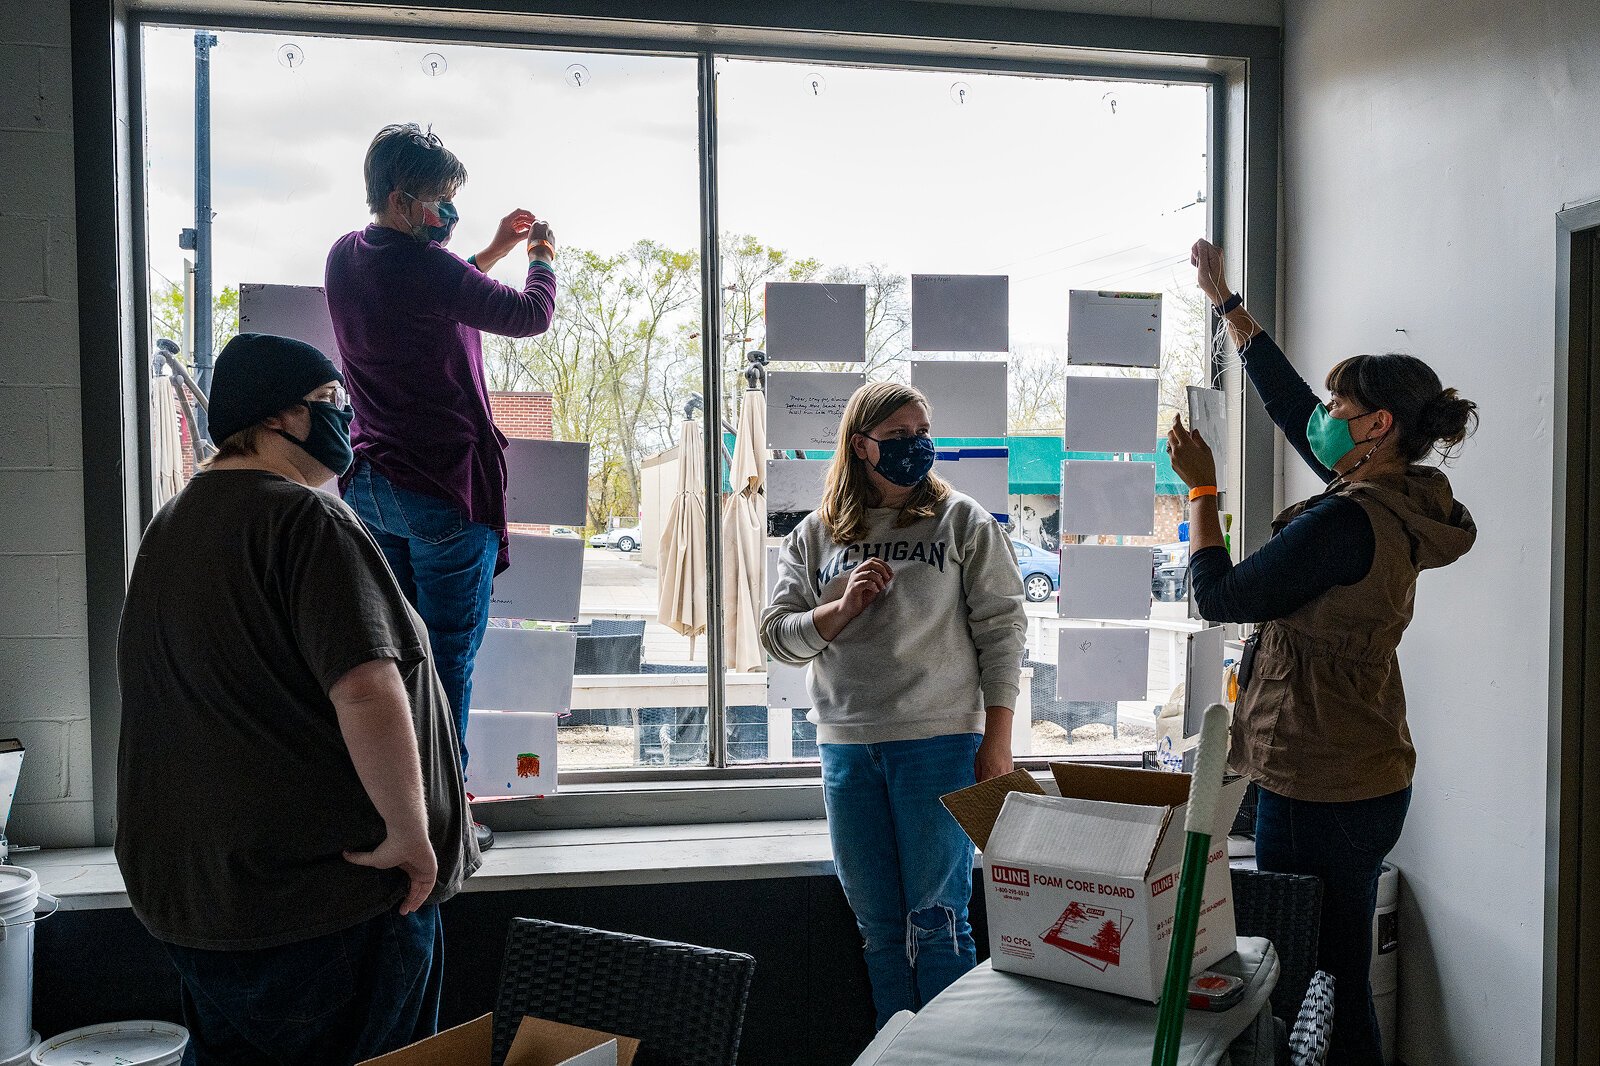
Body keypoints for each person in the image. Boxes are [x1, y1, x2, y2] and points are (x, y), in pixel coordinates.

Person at [116, 333, 479, 1066]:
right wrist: (411, 835)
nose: (345, 419)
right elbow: (367, 688)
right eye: (330, 404)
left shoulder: (172, 525)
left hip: (214, 905)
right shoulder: (303, 519)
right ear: (278, 418)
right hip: (329, 906)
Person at [1167, 238, 1478, 1066]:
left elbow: (1220, 598)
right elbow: (1288, 402)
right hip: (1367, 768)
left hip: (1316, 783)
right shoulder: (1397, 494)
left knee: (1313, 983)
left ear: (1377, 427)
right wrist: (1226, 304)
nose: (1323, 419)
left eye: (1340, 410)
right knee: (1329, 975)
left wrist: (1200, 491)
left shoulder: (1344, 521)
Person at [761, 382, 1026, 1029]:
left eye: (922, 433)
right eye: (900, 438)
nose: (918, 448)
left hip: (939, 745)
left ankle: (947, 1052)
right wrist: (841, 607)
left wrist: (997, 739)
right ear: (861, 446)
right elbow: (777, 636)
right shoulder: (817, 535)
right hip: (848, 749)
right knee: (879, 929)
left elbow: (1003, 628)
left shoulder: (962, 520)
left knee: (938, 922)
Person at [325, 124, 558, 851]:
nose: (448, 213)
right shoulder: (429, 272)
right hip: (443, 496)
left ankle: (389, 807)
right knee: (447, 660)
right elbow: (528, 316)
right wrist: (543, 259)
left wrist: (487, 250)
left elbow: (439, 292)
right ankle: (445, 819)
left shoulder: (347, 256)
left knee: (391, 659)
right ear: (400, 202)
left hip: (372, 487)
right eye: (439, 202)